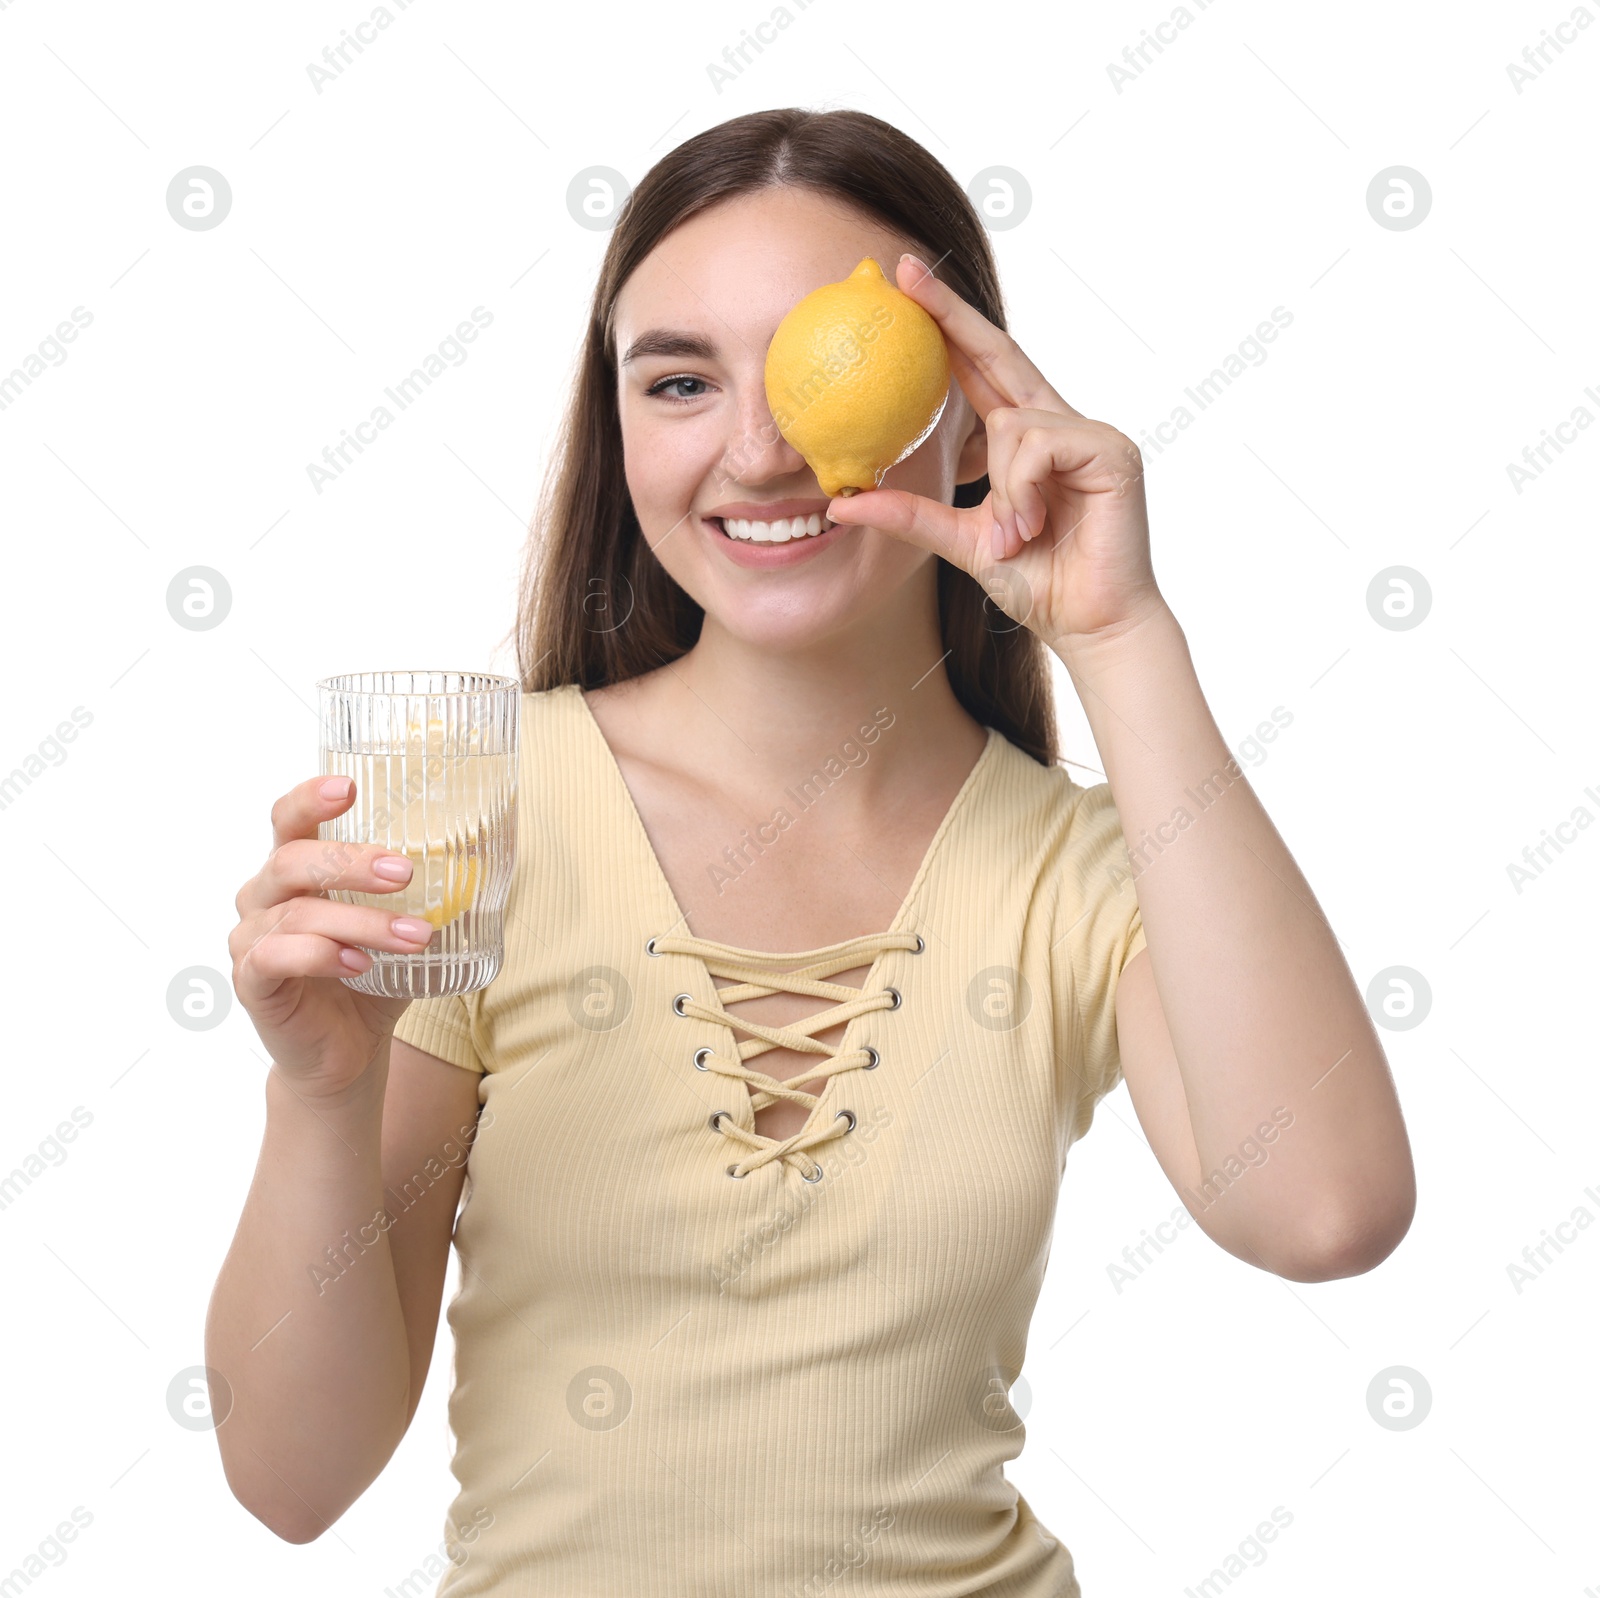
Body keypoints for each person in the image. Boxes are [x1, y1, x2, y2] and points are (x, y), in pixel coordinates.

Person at [208, 107, 1416, 1596]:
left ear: (969, 405)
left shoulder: (1082, 873)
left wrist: (1121, 635)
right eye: (680, 380)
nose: (761, 449)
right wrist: (321, 1093)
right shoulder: (476, 813)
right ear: (620, 422)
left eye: (812, 366)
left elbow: (1325, 1210)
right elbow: (292, 1480)